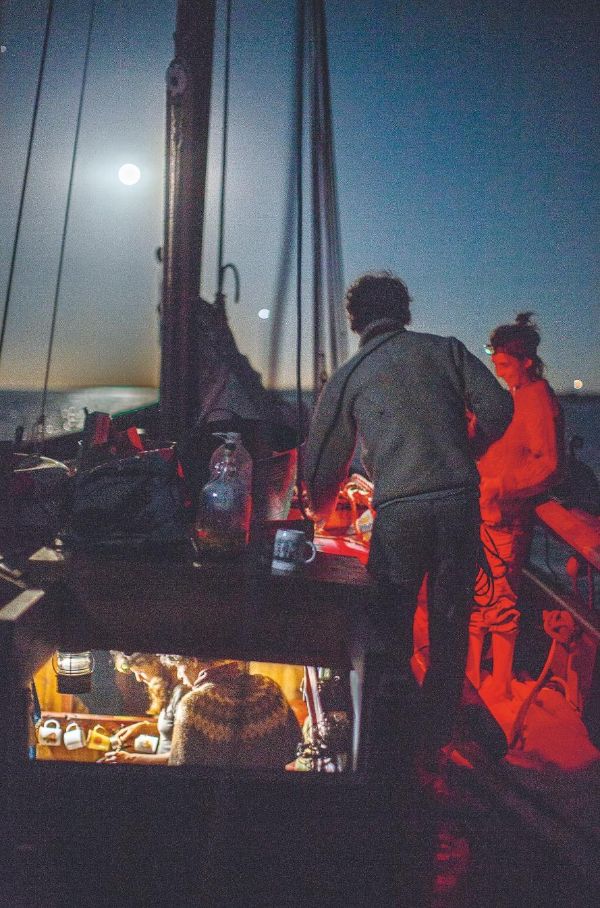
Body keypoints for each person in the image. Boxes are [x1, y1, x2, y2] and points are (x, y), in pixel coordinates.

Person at [304, 272, 513, 778]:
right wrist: (469, 449)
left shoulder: (351, 375)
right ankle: (436, 733)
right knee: (449, 623)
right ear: (404, 311)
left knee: (389, 624)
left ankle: (392, 740)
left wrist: (319, 512)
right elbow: (500, 407)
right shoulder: (446, 349)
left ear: (355, 320)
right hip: (460, 504)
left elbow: (321, 466)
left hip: (401, 512)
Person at [467, 313, 563, 699]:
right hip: (484, 516)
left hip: (506, 520)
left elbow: (549, 465)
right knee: (477, 598)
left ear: (525, 360)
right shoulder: (514, 397)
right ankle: (473, 676)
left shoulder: (539, 398)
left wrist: (498, 487)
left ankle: (502, 687)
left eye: (504, 362)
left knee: (500, 603)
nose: (496, 367)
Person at [162, 656, 301, 769]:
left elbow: (180, 766)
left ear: (193, 660)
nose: (179, 675)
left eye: (178, 667)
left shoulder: (193, 704)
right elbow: (295, 748)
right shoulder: (269, 688)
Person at [98, 652, 185, 765]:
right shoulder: (171, 691)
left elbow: (182, 757)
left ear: (156, 663)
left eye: (140, 672)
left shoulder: (181, 693)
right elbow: (173, 729)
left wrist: (130, 759)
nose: (138, 679)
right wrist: (144, 727)